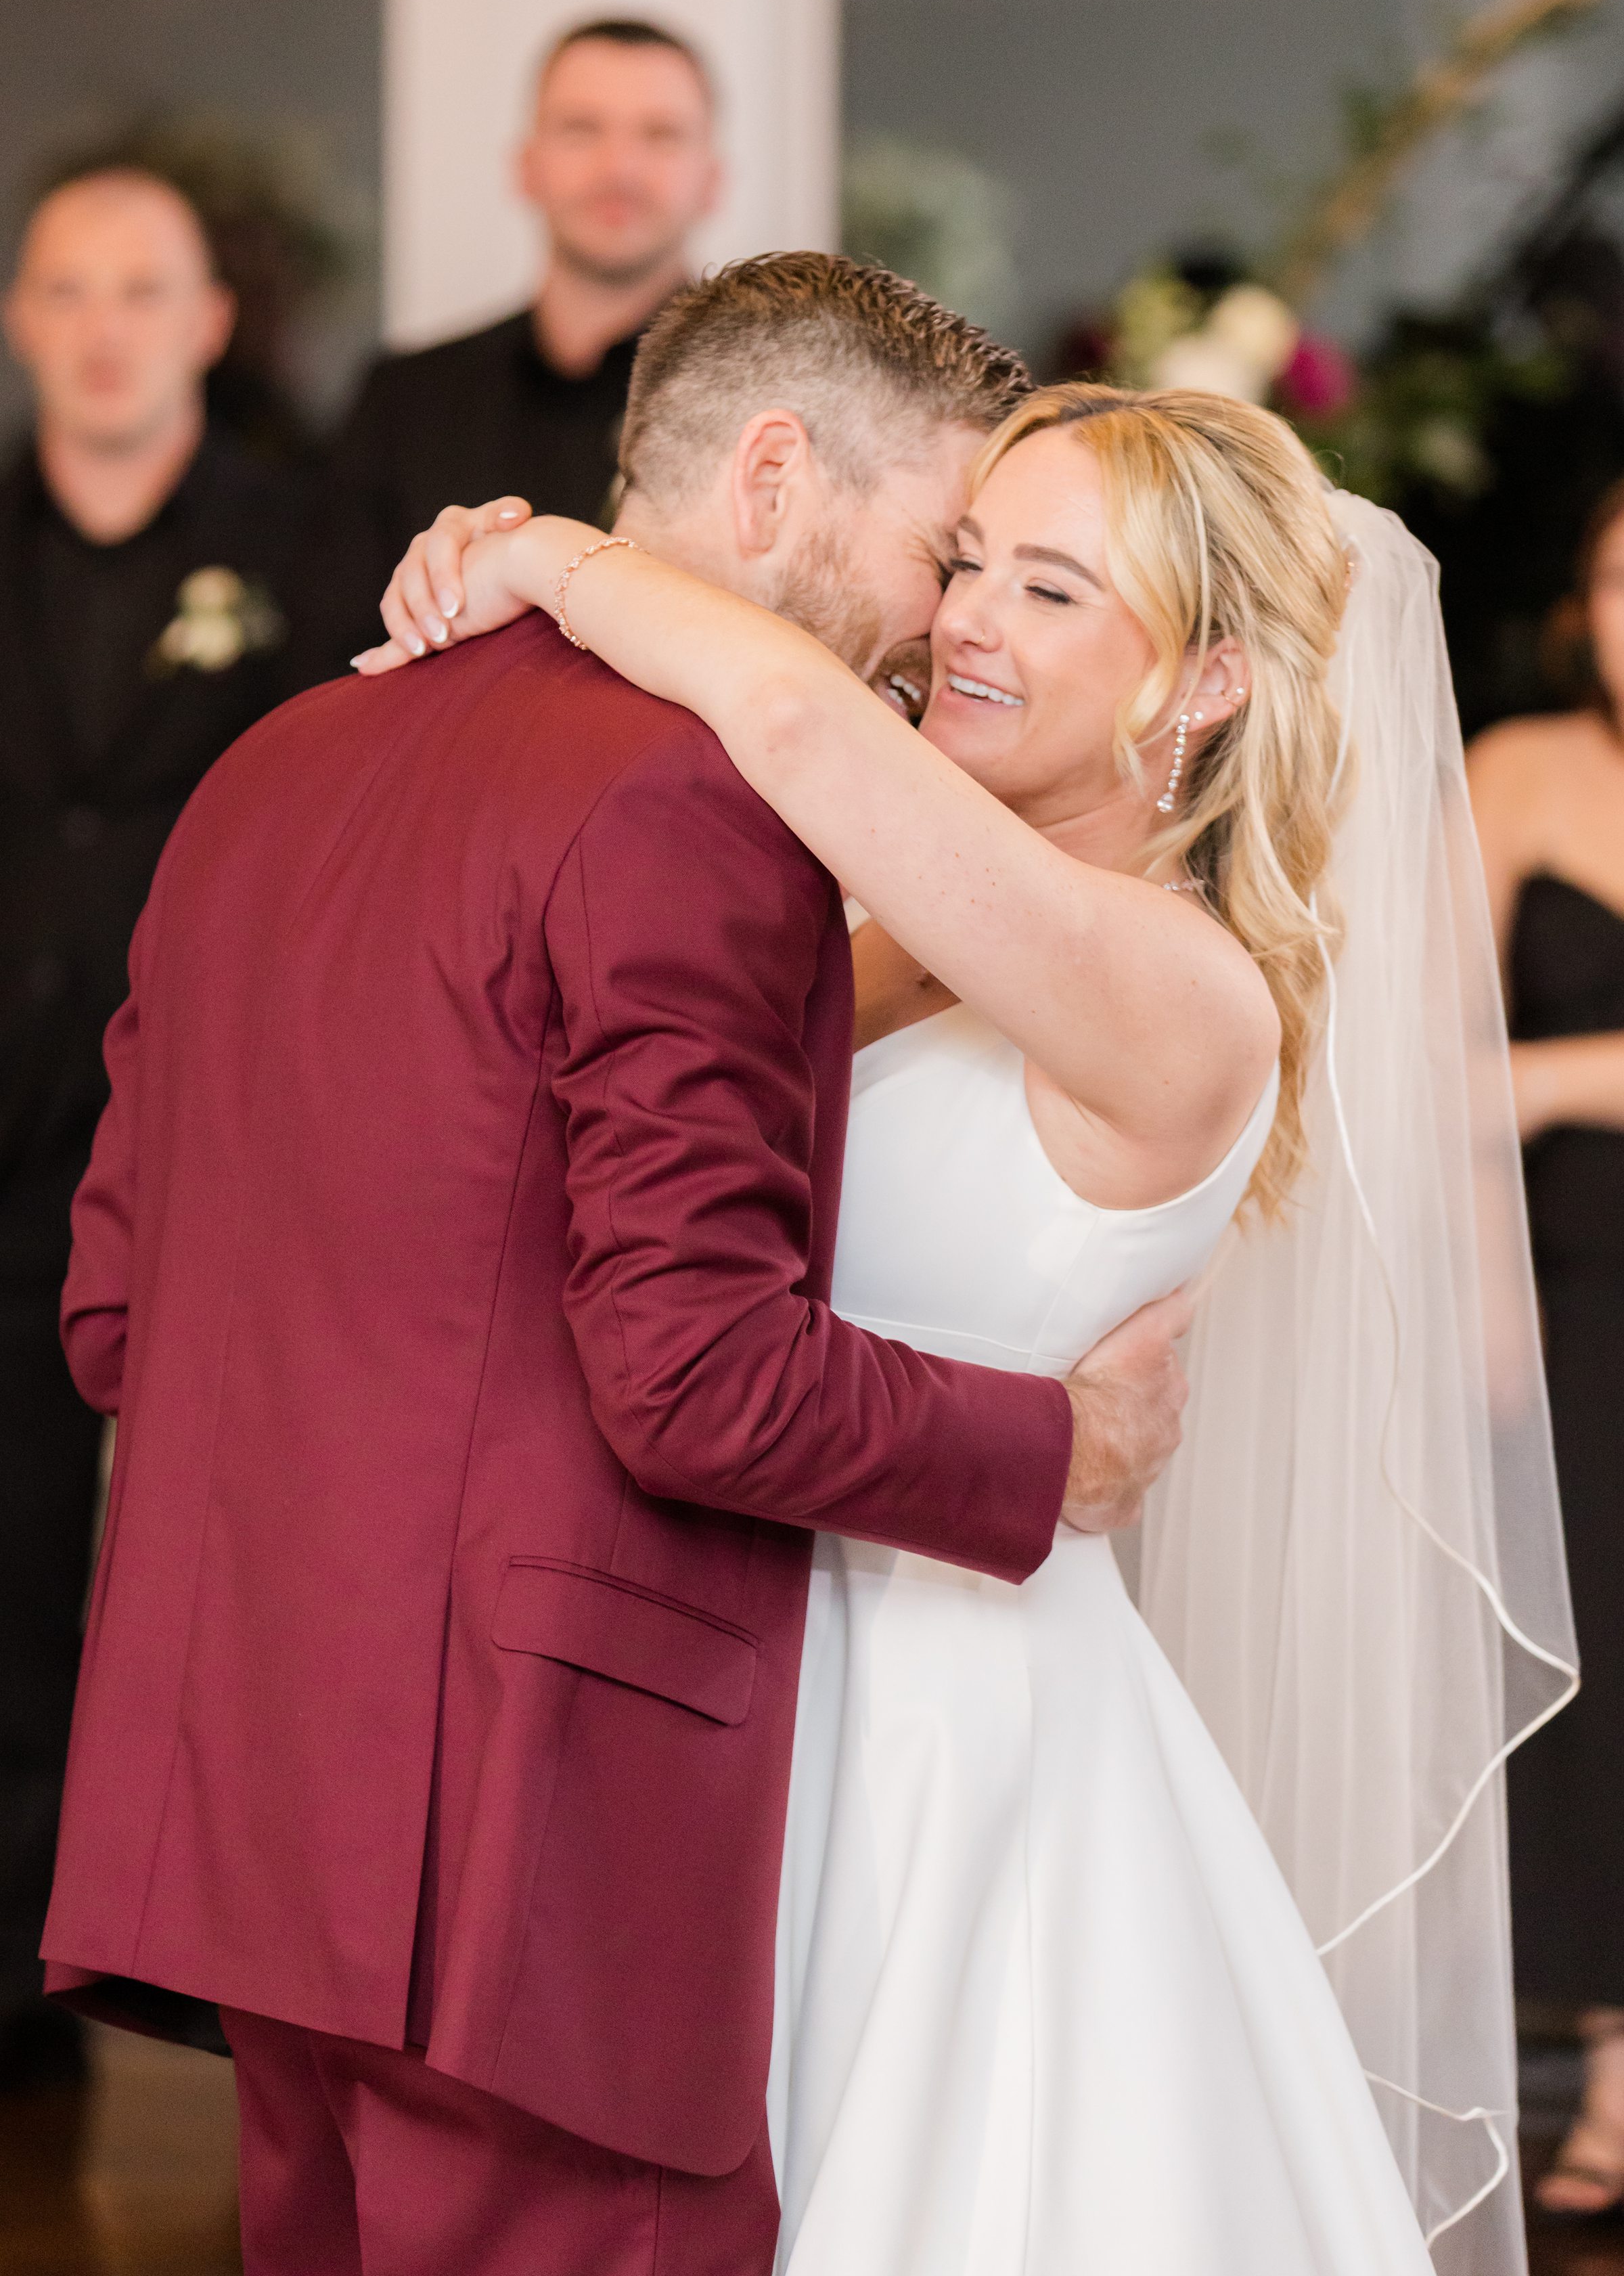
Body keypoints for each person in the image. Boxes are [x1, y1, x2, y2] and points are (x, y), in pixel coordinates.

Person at [370, 314, 1575, 2270]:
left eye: (1049, 583)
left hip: (957, 1751)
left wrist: (555, 561)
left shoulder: (1179, 990)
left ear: (1204, 687)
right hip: (738, 1688)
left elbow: (791, 726)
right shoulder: (911, 938)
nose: (965, 620)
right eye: (966, 560)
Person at [40, 257, 1194, 2276]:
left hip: (244, 1800)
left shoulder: (268, 770)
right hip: (521, 1846)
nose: (946, 619)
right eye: (936, 546)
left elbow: (116, 1313)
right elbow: (692, 1375)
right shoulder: (692, 803)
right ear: (769, 479)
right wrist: (1052, 1451)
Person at [0, 166, 344, 2090]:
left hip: (225, 1151)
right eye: (68, 287)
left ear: (214, 319)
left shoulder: (312, 549)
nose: (106, 323)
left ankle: (237, 1982)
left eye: (144, 287)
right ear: (23, 319)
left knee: (234, 1566)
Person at [1468, 476, 1624, 2221]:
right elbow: (1413, 1067)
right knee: (1593, 1676)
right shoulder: (1511, 771)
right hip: (1570, 1299)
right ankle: (1606, 2068)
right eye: (1607, 577)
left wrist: (1554, 1081)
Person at [326, 16, 721, 654]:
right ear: (526, 167)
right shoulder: (405, 402)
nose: (620, 166)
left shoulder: (769, 407)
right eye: (581, 129)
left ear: (713, 179)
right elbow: (338, 662)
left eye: (660, 134)